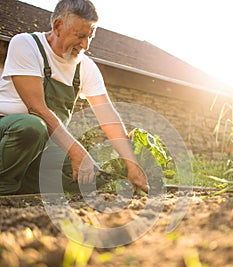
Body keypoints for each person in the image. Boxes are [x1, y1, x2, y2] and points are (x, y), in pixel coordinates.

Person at [0, 0, 149, 195]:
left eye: (90, 36)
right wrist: (77, 151)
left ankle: (22, 183)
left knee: (93, 176)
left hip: (43, 149)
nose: (85, 44)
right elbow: (36, 108)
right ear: (58, 26)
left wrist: (132, 165)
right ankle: (4, 189)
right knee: (32, 127)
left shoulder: (85, 67)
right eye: (80, 36)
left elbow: (108, 117)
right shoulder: (26, 44)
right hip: (10, 134)